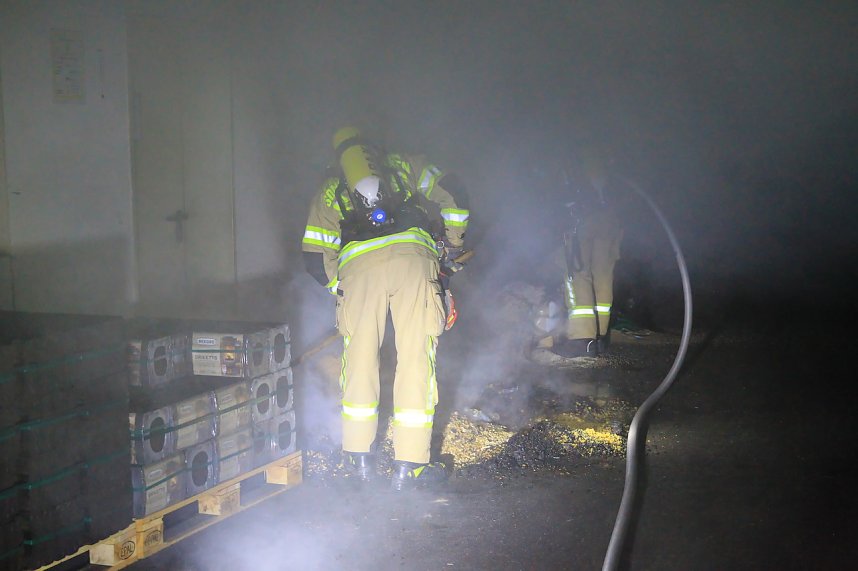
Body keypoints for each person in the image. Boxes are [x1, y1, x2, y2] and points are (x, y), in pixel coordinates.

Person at [301, 126, 469, 490]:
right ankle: (411, 466)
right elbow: (454, 191)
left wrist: (341, 288)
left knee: (359, 361)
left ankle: (360, 459)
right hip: (413, 260)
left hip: (357, 271)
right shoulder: (402, 164)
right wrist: (454, 241)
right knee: (416, 359)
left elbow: (315, 256)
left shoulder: (330, 189)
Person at [552, 148, 623, 359]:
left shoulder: (567, 155)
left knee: (576, 275)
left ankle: (582, 340)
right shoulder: (601, 155)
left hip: (581, 221)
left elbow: (562, 193)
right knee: (603, 277)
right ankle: (600, 336)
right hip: (611, 221)